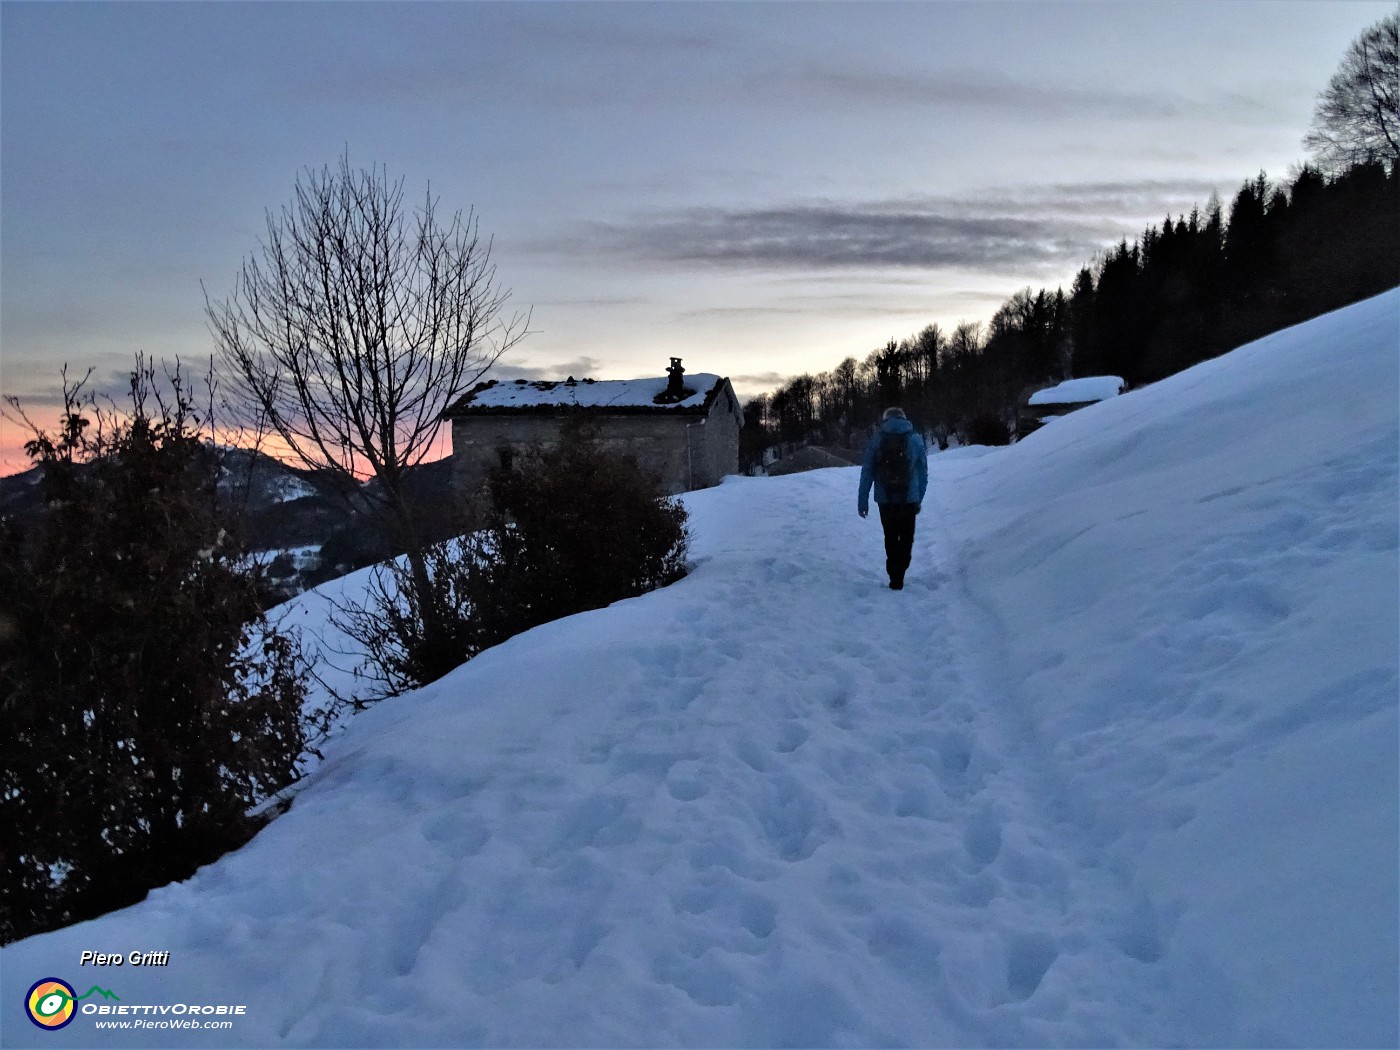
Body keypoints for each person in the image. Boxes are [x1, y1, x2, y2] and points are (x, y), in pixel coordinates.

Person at [857, 407, 929, 590]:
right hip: (909, 498)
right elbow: (923, 473)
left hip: (885, 498)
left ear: (885, 420)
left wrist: (862, 500)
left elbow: (867, 471)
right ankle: (901, 572)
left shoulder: (877, 440)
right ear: (904, 418)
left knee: (890, 536)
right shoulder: (915, 439)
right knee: (906, 537)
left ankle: (893, 574)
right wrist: (918, 498)